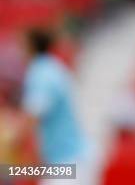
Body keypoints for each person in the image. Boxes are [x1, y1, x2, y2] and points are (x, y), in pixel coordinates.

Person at [21, 28, 93, 184]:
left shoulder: (41, 73)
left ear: (30, 46)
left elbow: (32, 117)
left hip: (66, 161)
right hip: (66, 160)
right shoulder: (53, 68)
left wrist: (12, 140)